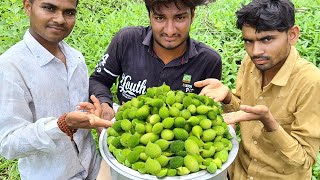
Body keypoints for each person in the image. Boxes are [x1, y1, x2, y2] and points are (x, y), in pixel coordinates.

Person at [194, 0, 320, 179]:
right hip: (239, 172)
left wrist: (270, 123)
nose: (255, 51)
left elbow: (304, 160)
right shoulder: (250, 62)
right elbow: (243, 112)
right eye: (248, 41)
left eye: (266, 39)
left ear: (292, 35)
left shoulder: (311, 82)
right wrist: (228, 98)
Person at [0, 0, 112, 179]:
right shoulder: (10, 67)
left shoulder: (76, 58)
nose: (60, 19)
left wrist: (92, 112)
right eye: (49, 8)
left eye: (69, 12)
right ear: (28, 7)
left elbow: (79, 112)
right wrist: (61, 125)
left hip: (92, 167)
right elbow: (8, 144)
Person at [89, 0, 222, 121]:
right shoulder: (127, 40)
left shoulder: (209, 61)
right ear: (149, 16)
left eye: (180, 18)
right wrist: (105, 105)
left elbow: (209, 111)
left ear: (192, 15)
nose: (170, 31)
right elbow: (99, 80)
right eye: (160, 18)